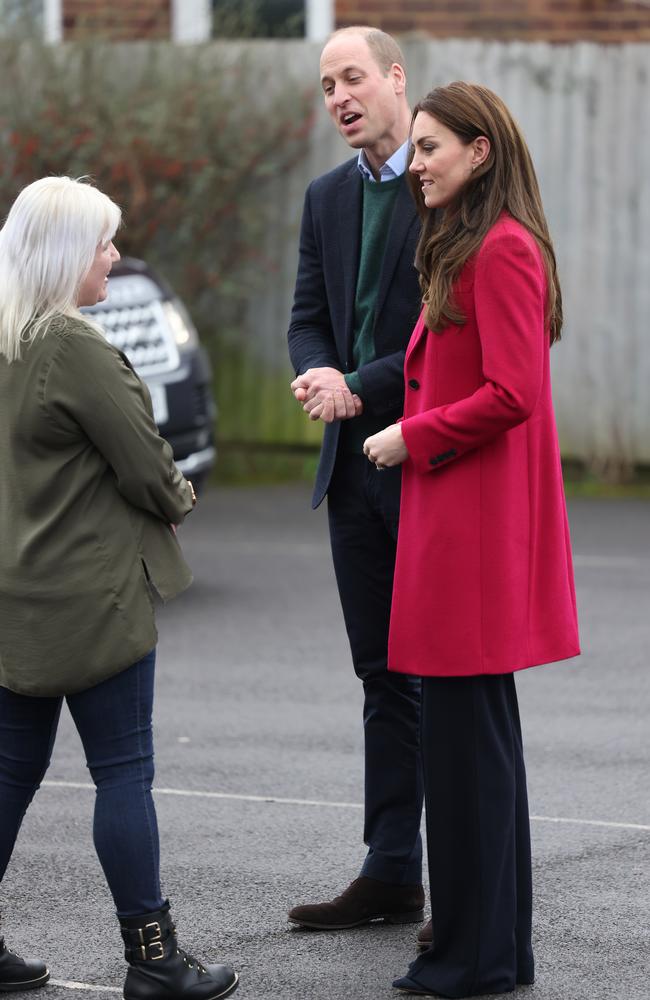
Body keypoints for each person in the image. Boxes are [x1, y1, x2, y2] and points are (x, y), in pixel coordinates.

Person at [363, 82, 580, 997]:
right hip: (454, 535)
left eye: (429, 149)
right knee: (468, 757)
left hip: (475, 545)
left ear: (479, 150)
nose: (415, 168)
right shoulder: (467, 246)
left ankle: (478, 959)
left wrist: (413, 434)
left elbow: (513, 392)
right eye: (413, 151)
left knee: (473, 762)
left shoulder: (503, 250)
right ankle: (481, 950)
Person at [0, 176, 239, 1000]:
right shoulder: (75, 346)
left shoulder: (6, 337)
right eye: (103, 242)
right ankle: (154, 958)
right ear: (68, 252)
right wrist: (180, 498)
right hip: (95, 596)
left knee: (7, 773)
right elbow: (146, 460)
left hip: (14, 593)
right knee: (124, 773)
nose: (113, 255)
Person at [287, 27, 426, 931]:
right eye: (327, 83)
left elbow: (441, 334)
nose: (339, 95)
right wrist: (314, 373)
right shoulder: (326, 195)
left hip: (427, 460)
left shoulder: (444, 182)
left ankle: (471, 867)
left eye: (353, 77)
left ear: (395, 79)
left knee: (445, 675)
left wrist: (356, 384)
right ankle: (390, 871)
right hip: (351, 475)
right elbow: (308, 313)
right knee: (380, 672)